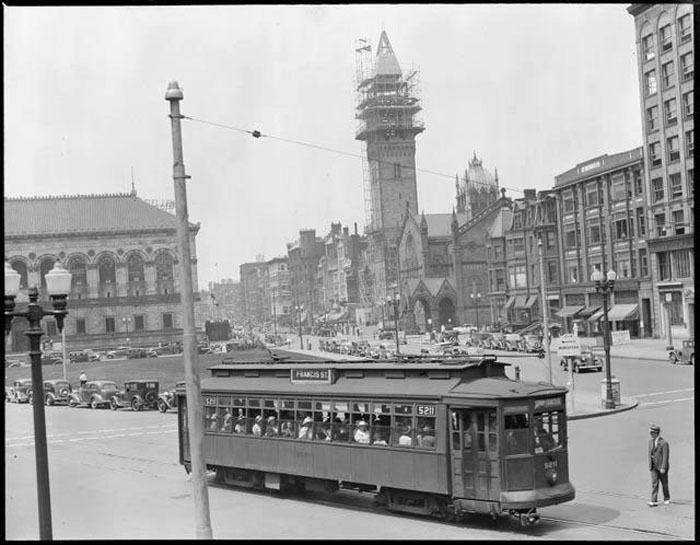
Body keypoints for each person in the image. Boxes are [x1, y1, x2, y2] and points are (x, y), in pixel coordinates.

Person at [648, 424, 670, 507]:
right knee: (654, 483)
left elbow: (665, 456)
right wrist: (650, 465)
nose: (650, 434)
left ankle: (667, 498)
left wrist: (663, 467)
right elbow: (650, 454)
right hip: (653, 467)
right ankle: (654, 501)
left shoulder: (664, 443)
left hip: (661, 467)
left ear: (656, 433)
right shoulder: (650, 442)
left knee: (664, 483)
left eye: (651, 432)